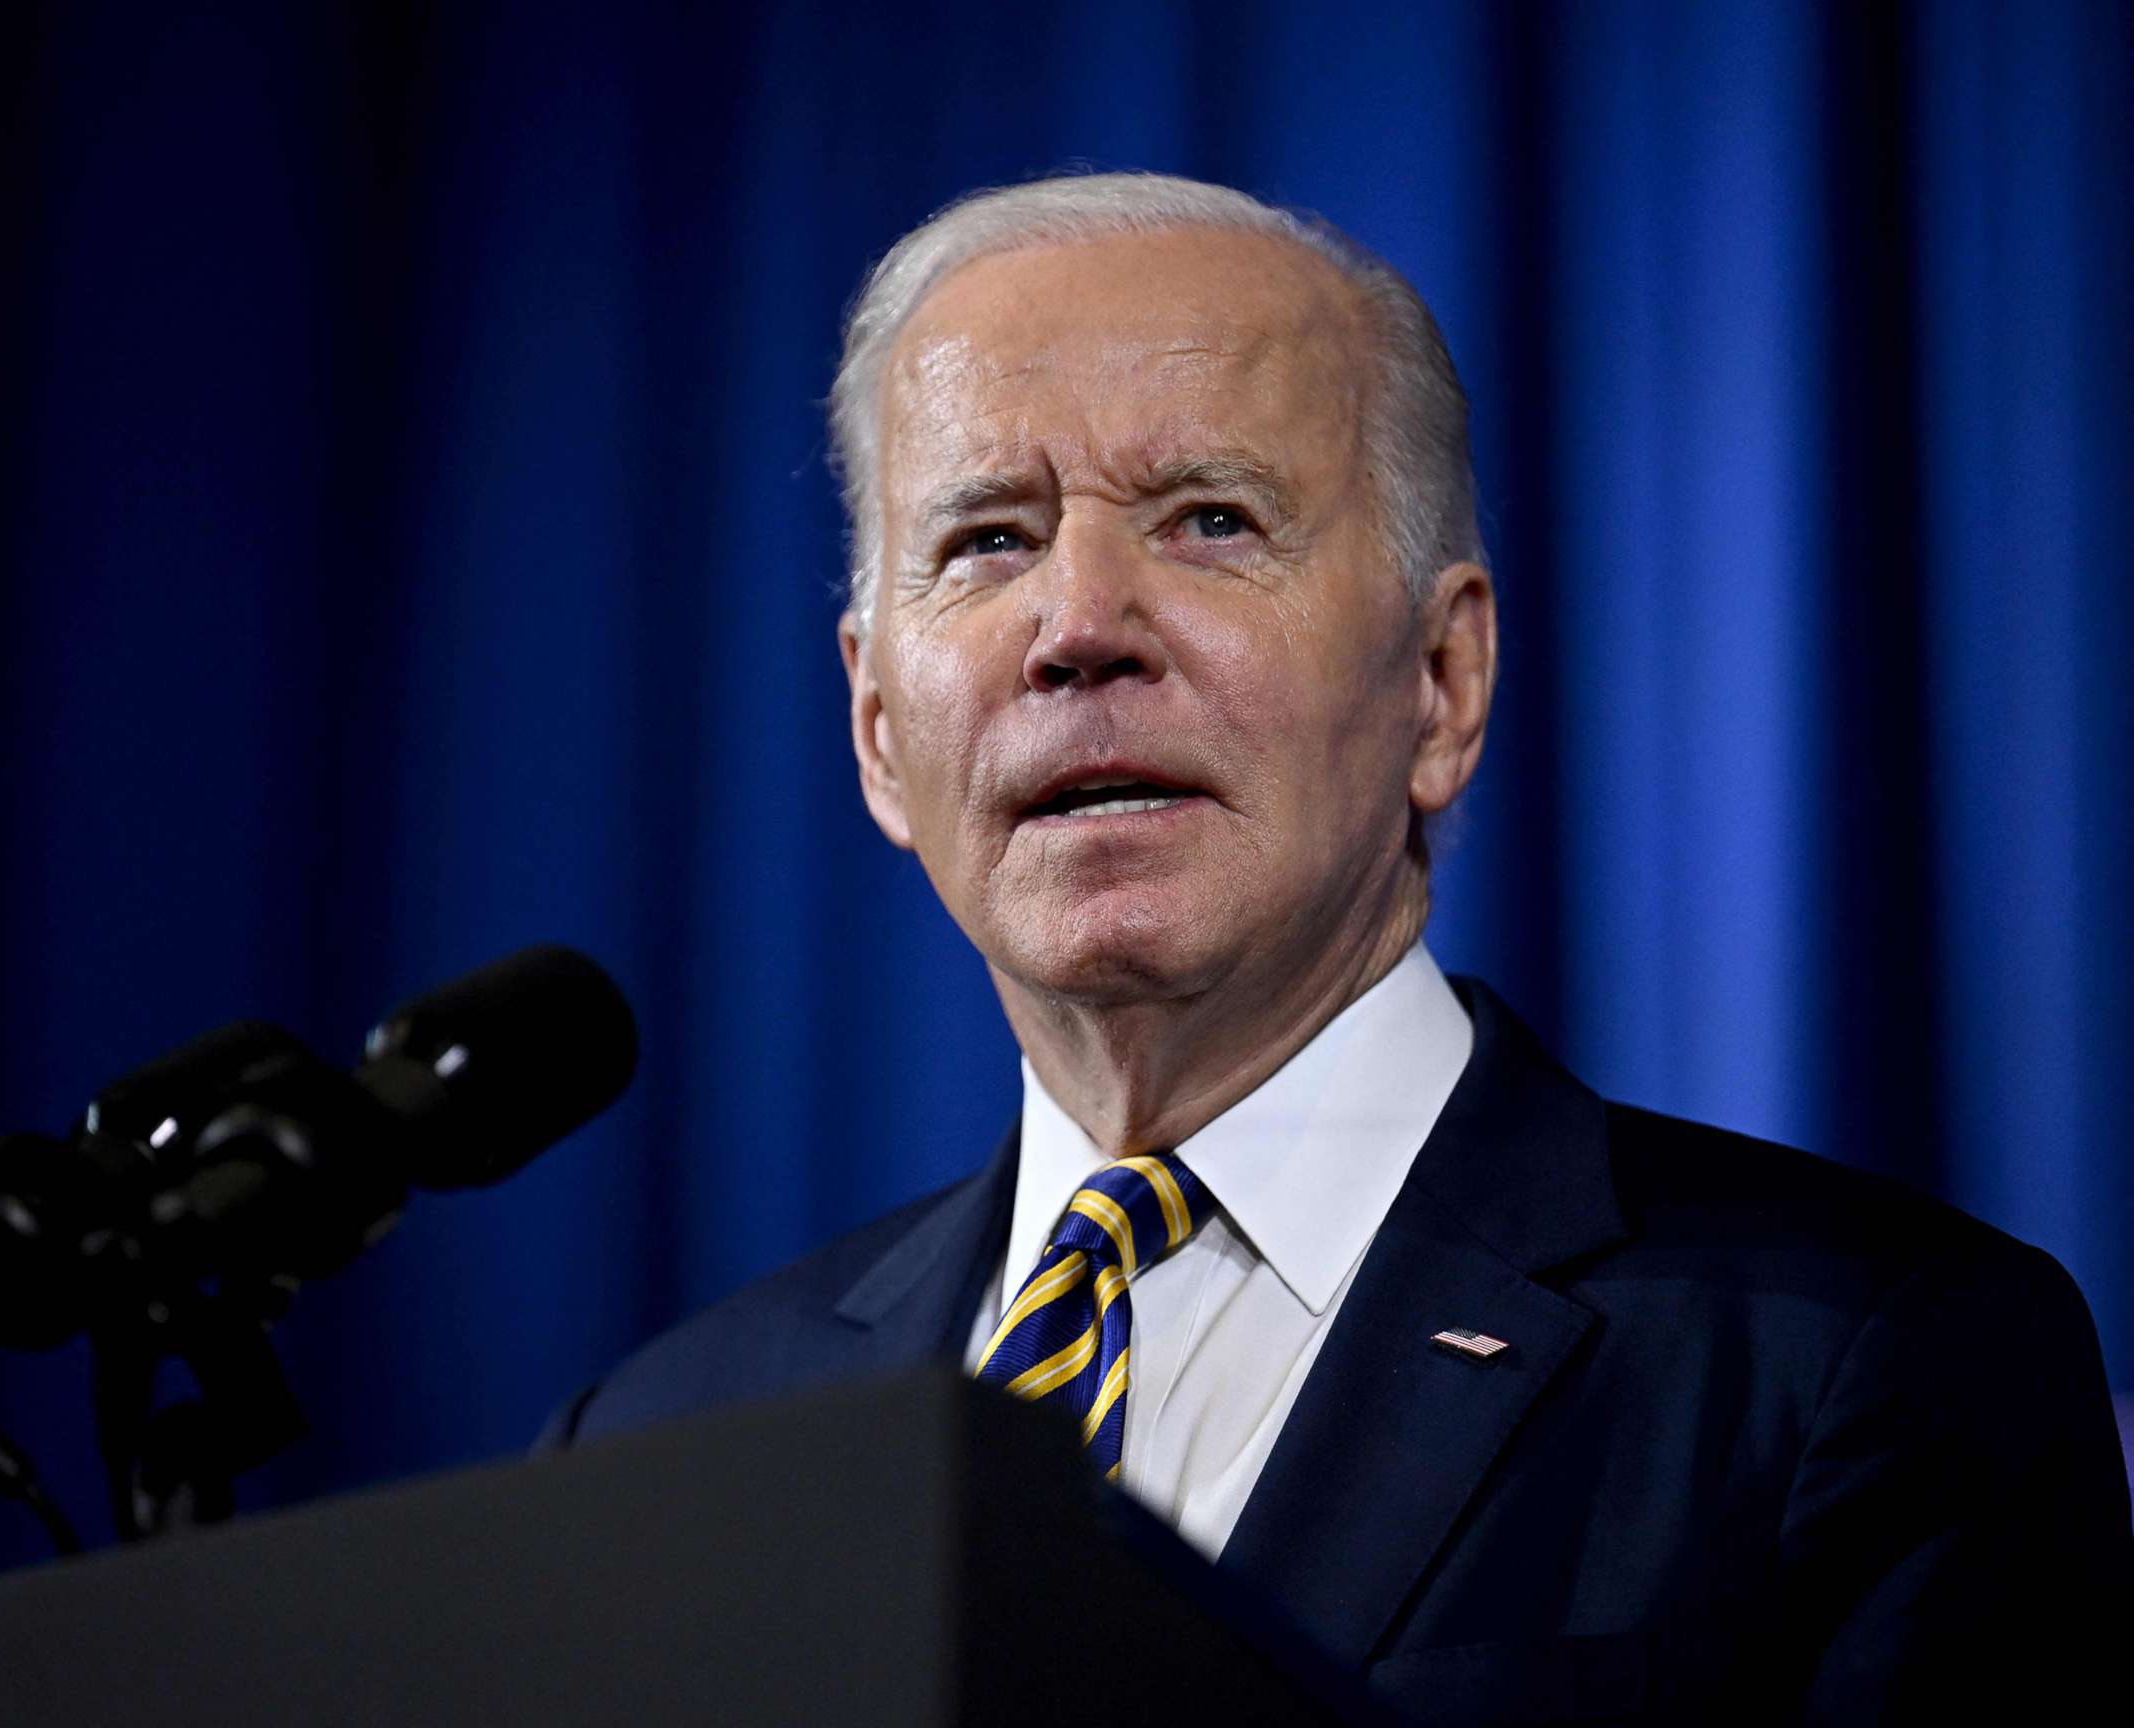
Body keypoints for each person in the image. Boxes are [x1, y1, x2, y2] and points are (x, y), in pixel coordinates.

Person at [539, 173, 2129, 1720]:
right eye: (987, 542)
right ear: (880, 732)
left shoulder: (1862, 1372)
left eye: (1211, 520)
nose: (1078, 623)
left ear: (1443, 682)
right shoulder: (662, 1445)